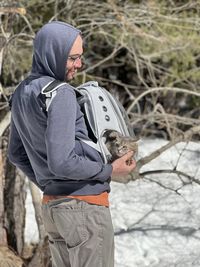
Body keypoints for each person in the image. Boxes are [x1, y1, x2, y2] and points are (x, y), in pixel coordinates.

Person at [8, 21, 136, 267]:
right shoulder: (61, 93)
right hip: (84, 210)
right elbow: (62, 161)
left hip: (54, 210)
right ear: (52, 53)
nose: (79, 65)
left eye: (80, 57)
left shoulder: (22, 93)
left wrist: (52, 184)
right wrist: (110, 170)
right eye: (72, 58)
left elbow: (16, 154)